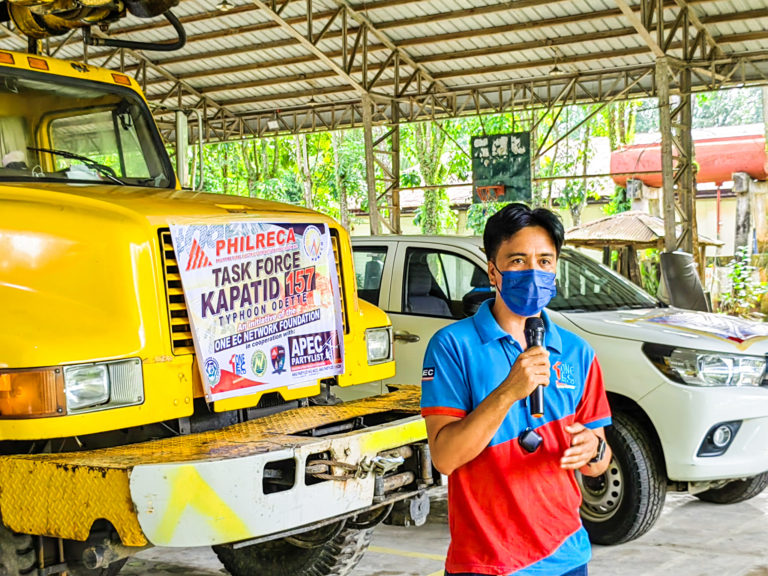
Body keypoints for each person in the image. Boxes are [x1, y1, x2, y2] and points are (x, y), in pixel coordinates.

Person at [421, 202, 612, 576]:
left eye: (545, 261)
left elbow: (599, 460)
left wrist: (595, 448)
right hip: (485, 561)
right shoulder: (452, 346)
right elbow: (444, 458)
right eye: (518, 260)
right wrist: (509, 391)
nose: (534, 272)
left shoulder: (578, 352)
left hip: (567, 556)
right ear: (493, 270)